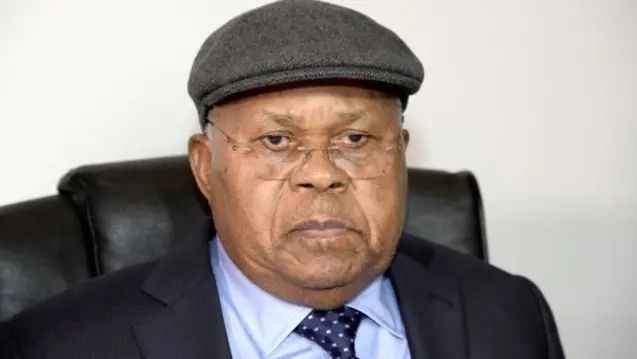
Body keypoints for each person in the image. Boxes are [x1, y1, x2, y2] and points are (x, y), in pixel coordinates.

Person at [0, 0, 565, 358]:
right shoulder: (58, 346)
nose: (320, 175)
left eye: (356, 140)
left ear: (401, 156)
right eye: (276, 142)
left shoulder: (510, 314)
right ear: (205, 167)